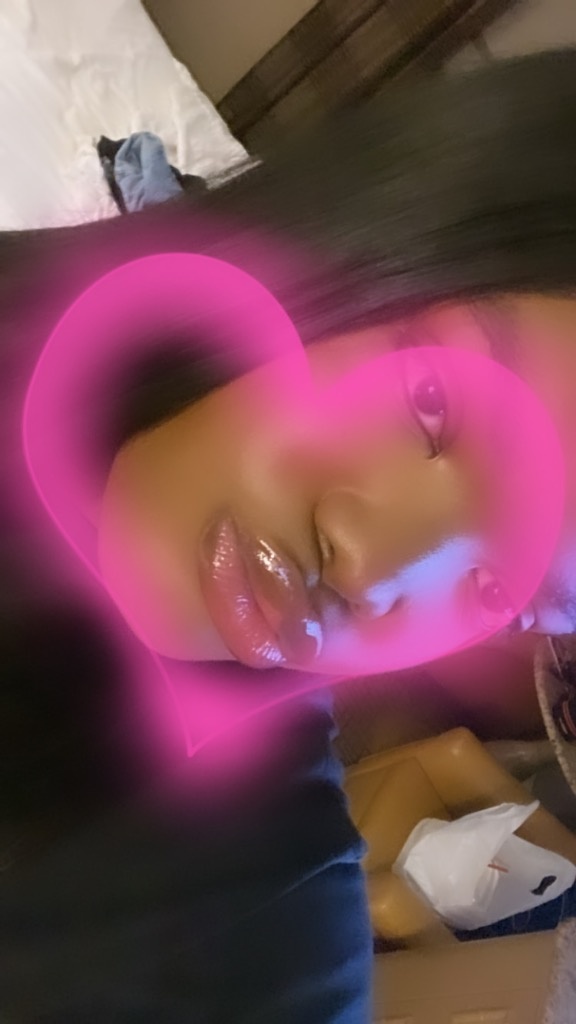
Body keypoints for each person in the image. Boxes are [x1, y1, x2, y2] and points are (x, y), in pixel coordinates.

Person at [2, 47, 576, 1020]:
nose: (370, 572)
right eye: (431, 406)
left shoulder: (253, 930)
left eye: (500, 589)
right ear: (376, 230)